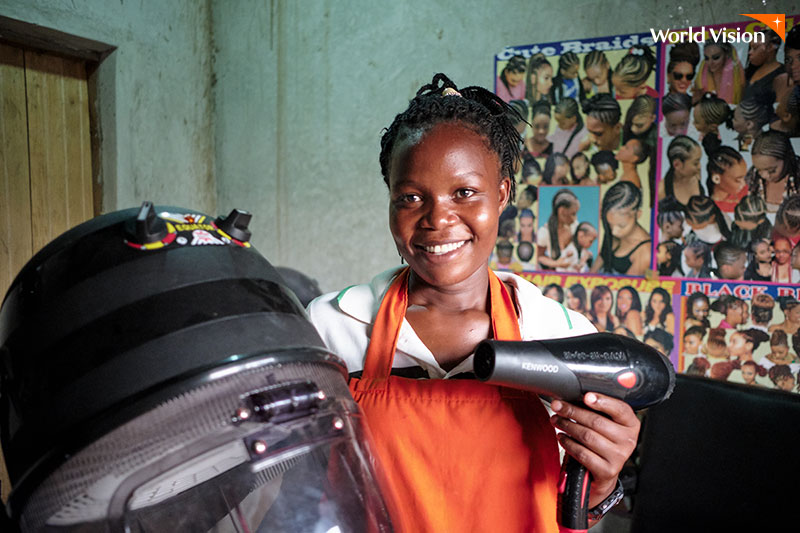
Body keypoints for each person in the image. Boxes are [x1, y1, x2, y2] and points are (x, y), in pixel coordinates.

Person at [307, 74, 638, 531]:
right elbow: (306, 491)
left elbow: (579, 504)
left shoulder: (561, 337)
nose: (438, 218)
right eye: (410, 197)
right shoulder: (332, 328)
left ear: (501, 193)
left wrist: (602, 480)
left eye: (464, 192)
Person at [592, 181, 651, 276]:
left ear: (638, 214)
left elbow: (625, 289)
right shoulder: (613, 230)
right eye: (610, 224)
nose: (614, 232)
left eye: (621, 225)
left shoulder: (645, 252)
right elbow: (600, 259)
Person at [746, 130, 800, 216]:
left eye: (771, 170)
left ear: (787, 159)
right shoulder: (752, 178)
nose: (764, 175)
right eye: (759, 169)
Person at [743, 29, 790, 125]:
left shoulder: (784, 75)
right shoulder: (746, 73)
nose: (750, 53)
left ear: (770, 48)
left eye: (755, 48)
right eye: (750, 48)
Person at [536, 188, 580, 270]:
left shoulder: (575, 226)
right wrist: (557, 263)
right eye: (573, 214)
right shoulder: (544, 232)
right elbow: (539, 256)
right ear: (562, 211)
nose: (575, 218)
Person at [693, 40, 745, 105]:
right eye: (707, 58)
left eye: (716, 57)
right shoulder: (700, 79)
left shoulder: (738, 79)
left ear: (727, 55)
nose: (710, 63)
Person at [659, 135, 703, 207]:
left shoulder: (696, 175)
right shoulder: (661, 190)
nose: (700, 166)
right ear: (677, 165)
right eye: (695, 163)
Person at [706, 146, 748, 214]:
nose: (744, 184)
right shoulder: (713, 209)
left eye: (744, 178)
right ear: (716, 179)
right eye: (738, 180)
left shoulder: (745, 191)